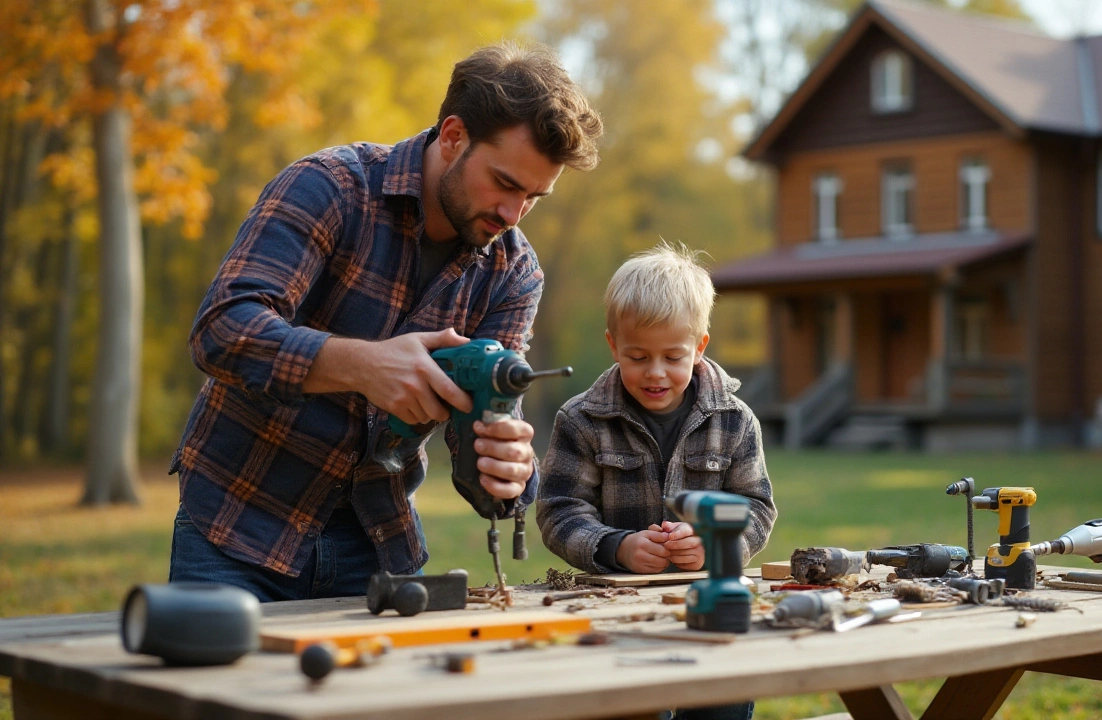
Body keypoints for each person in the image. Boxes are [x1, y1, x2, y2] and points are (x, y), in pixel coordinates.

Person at [167, 42, 603, 603]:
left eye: (533, 197)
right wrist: (364, 365)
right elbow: (223, 329)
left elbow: (490, 414)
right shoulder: (328, 187)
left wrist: (507, 470)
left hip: (377, 546)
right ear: (453, 137)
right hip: (237, 527)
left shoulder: (514, 272)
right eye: (504, 183)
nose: (512, 214)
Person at [536, 242, 776, 720]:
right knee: (629, 707)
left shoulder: (734, 419)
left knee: (720, 704)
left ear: (700, 346)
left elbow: (756, 505)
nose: (656, 373)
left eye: (672, 356)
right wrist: (615, 547)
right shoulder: (582, 419)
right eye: (638, 356)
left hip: (708, 601)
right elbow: (558, 509)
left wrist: (715, 544)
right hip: (616, 610)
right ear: (613, 345)